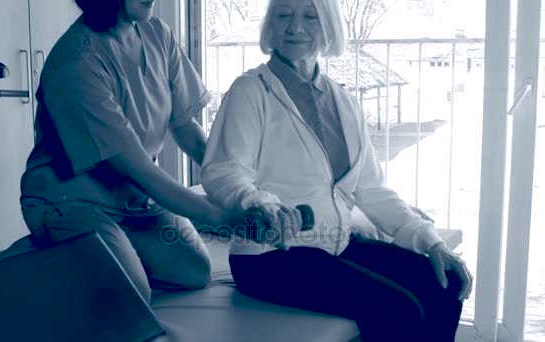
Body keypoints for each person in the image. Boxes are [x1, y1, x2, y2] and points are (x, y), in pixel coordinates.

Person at [201, 0, 473, 341]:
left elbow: (373, 190)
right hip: (271, 256)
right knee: (396, 307)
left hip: (336, 246)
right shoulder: (251, 91)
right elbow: (224, 170)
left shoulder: (343, 102)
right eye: (284, 15)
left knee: (443, 281)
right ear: (271, 25)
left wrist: (431, 243)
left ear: (329, 26)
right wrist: (259, 202)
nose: (294, 27)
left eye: (309, 16)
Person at [14, 0, 234, 303]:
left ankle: (107, 252)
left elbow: (188, 132)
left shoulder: (158, 33)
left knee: (193, 272)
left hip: (132, 197)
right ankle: (45, 252)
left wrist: (236, 188)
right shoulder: (76, 61)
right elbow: (141, 170)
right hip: (72, 199)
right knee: (129, 294)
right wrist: (223, 217)